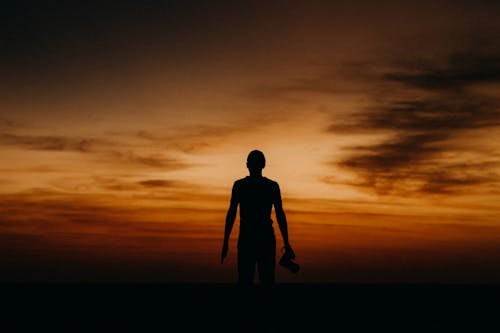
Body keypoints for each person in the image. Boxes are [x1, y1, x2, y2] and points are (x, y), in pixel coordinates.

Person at [221, 149, 296, 286]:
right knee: (264, 280)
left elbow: (232, 213)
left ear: (247, 165)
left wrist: (225, 241)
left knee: (247, 279)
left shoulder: (240, 186)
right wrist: (286, 242)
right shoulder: (271, 186)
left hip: (250, 238)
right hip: (261, 237)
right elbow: (280, 214)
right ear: (264, 165)